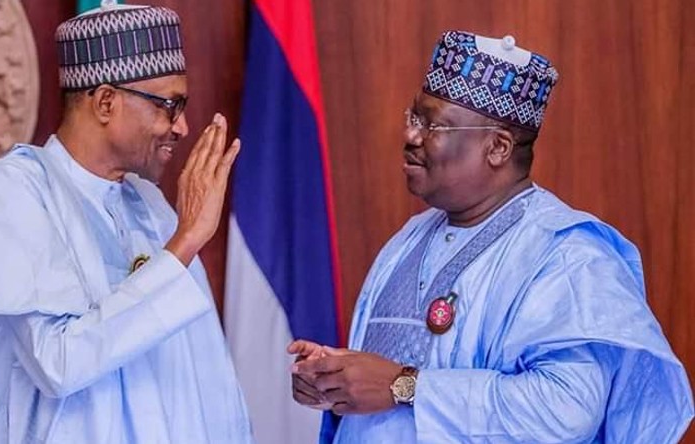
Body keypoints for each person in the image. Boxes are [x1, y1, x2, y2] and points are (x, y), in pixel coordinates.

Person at [289, 30, 694, 443]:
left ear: (498, 147)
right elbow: (385, 392)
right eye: (414, 118)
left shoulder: (568, 255)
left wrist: (403, 386)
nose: (411, 137)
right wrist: (335, 382)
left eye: (435, 126)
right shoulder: (409, 240)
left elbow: (566, 411)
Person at [0, 2, 254, 443]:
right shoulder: (14, 195)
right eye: (170, 105)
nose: (182, 126)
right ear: (106, 102)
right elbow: (59, 362)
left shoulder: (149, 207)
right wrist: (184, 244)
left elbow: (201, 376)